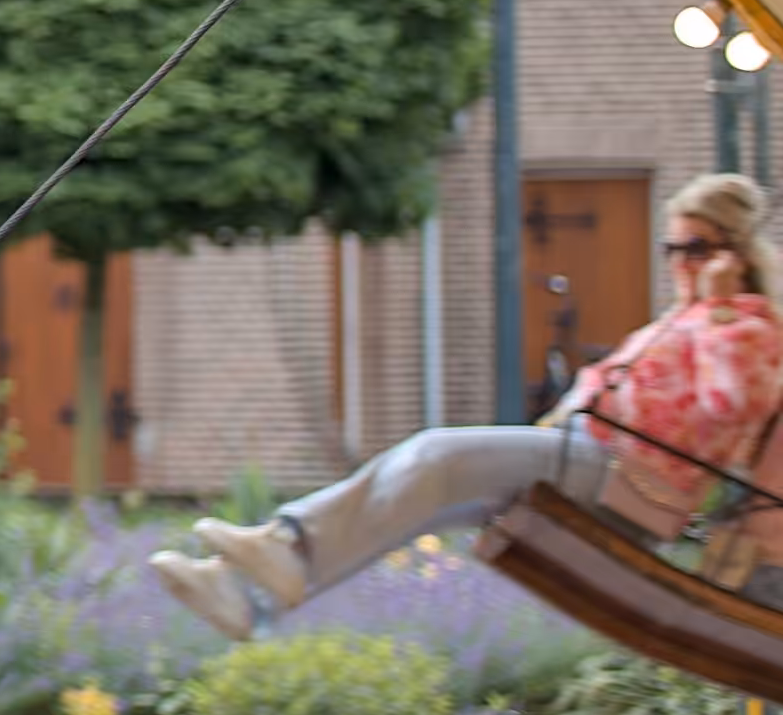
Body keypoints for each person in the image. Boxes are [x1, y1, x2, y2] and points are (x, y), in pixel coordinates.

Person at [154, 174, 783, 640]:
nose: (681, 264)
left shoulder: (749, 327)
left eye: (697, 249)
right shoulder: (686, 318)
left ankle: (282, 544)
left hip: (632, 478)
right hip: (597, 457)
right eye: (672, 249)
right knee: (415, 501)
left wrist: (720, 312)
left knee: (437, 453)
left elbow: (733, 405)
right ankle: (249, 594)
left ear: (735, 254)